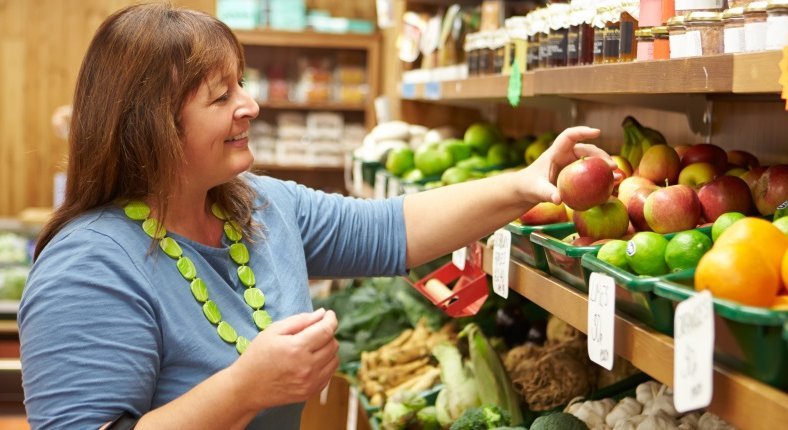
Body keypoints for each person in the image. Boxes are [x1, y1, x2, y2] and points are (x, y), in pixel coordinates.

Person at [18, 3, 614, 430]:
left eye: (242, 85)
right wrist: (246, 389)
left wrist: (521, 184)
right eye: (221, 97)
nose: (251, 105)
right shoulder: (89, 268)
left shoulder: (256, 207)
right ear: (149, 124)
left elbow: (391, 229)